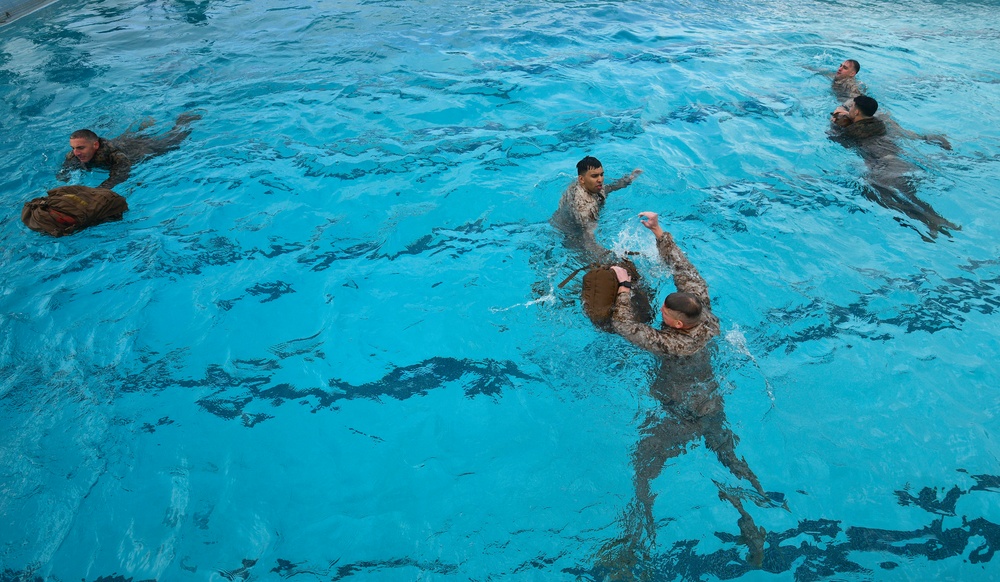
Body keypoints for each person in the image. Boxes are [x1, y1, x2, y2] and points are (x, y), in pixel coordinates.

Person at [592, 212, 770, 577]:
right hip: (711, 403)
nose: (659, 312)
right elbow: (683, 267)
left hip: (680, 414)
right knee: (732, 463)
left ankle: (639, 543)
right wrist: (658, 231)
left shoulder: (670, 342)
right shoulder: (703, 311)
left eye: (662, 312)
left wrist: (624, 288)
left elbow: (624, 326)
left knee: (643, 470)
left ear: (673, 323)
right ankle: (755, 522)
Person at [830, 96, 958, 239]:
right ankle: (936, 219)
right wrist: (848, 116)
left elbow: (838, 140)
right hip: (901, 164)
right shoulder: (879, 124)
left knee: (880, 197)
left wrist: (834, 122)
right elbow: (863, 125)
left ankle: (927, 222)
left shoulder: (852, 132)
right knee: (911, 198)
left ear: (858, 112)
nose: (850, 109)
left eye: (852, 107)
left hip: (885, 168)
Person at [57, 112, 201, 189]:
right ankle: (144, 127)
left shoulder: (115, 156)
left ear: (95, 145)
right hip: (123, 141)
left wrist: (97, 191)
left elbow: (120, 176)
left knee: (174, 142)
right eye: (73, 148)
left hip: (140, 149)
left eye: (81, 148)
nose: (76, 152)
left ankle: (185, 120)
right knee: (132, 136)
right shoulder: (74, 155)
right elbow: (63, 174)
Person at [550, 156, 641, 262]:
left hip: (561, 218)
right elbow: (588, 239)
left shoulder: (590, 186)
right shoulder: (584, 208)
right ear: (581, 179)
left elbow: (609, 188)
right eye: (594, 176)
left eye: (601, 174)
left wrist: (628, 180)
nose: (600, 180)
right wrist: (610, 258)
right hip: (569, 232)